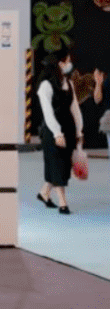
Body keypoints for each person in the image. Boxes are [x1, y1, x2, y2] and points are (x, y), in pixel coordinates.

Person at [36, 50, 83, 214]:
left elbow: (75, 109)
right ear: (59, 64)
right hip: (52, 132)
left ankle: (44, 193)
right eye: (66, 61)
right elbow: (47, 113)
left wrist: (79, 131)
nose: (69, 64)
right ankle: (63, 204)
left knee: (63, 166)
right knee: (57, 165)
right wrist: (57, 133)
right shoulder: (45, 86)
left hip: (69, 129)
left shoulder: (68, 83)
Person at [80, 68, 106, 151]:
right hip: (90, 142)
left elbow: (97, 100)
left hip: (99, 141)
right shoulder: (85, 100)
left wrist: (98, 83)